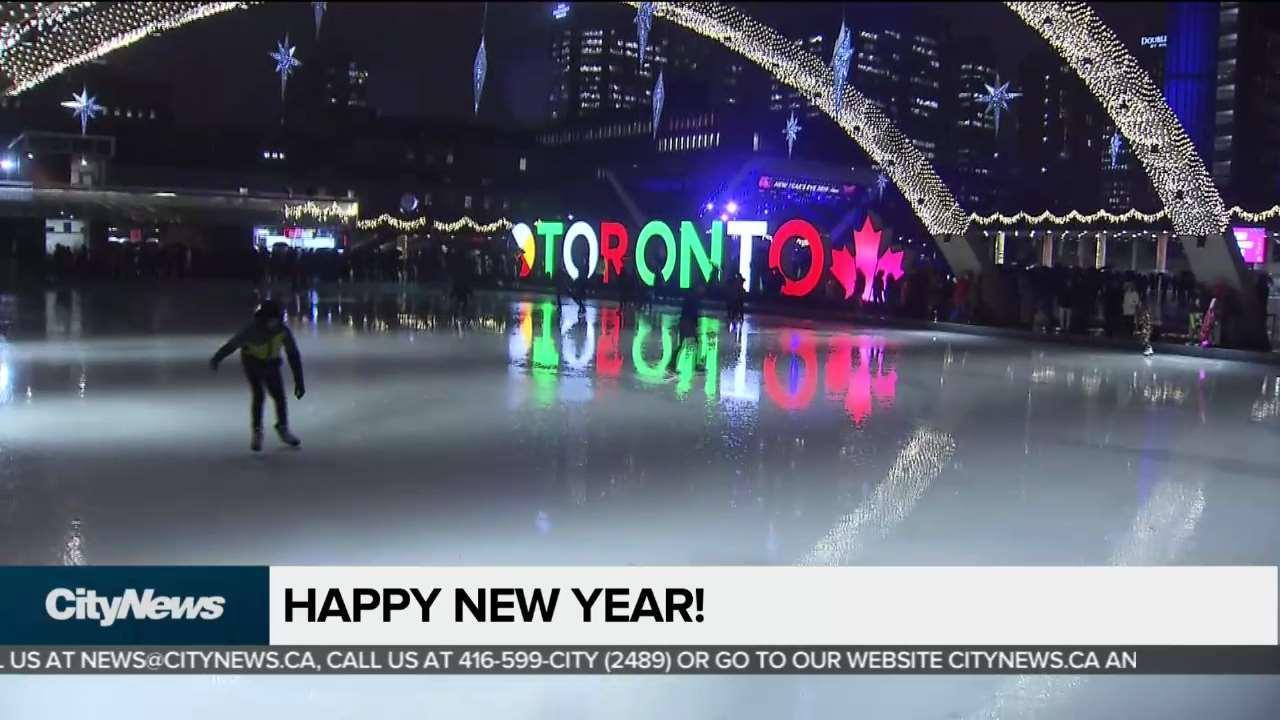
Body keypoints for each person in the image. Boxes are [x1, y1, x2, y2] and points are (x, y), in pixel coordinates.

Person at [210, 300, 305, 451]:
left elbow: (293, 355)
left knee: (279, 396)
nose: (274, 324)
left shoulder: (283, 331)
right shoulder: (251, 330)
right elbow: (232, 345)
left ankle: (283, 428)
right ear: (263, 319)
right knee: (259, 395)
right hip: (252, 364)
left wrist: (299, 381)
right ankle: (257, 431)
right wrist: (217, 358)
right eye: (271, 320)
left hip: (272, 364)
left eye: (276, 320)